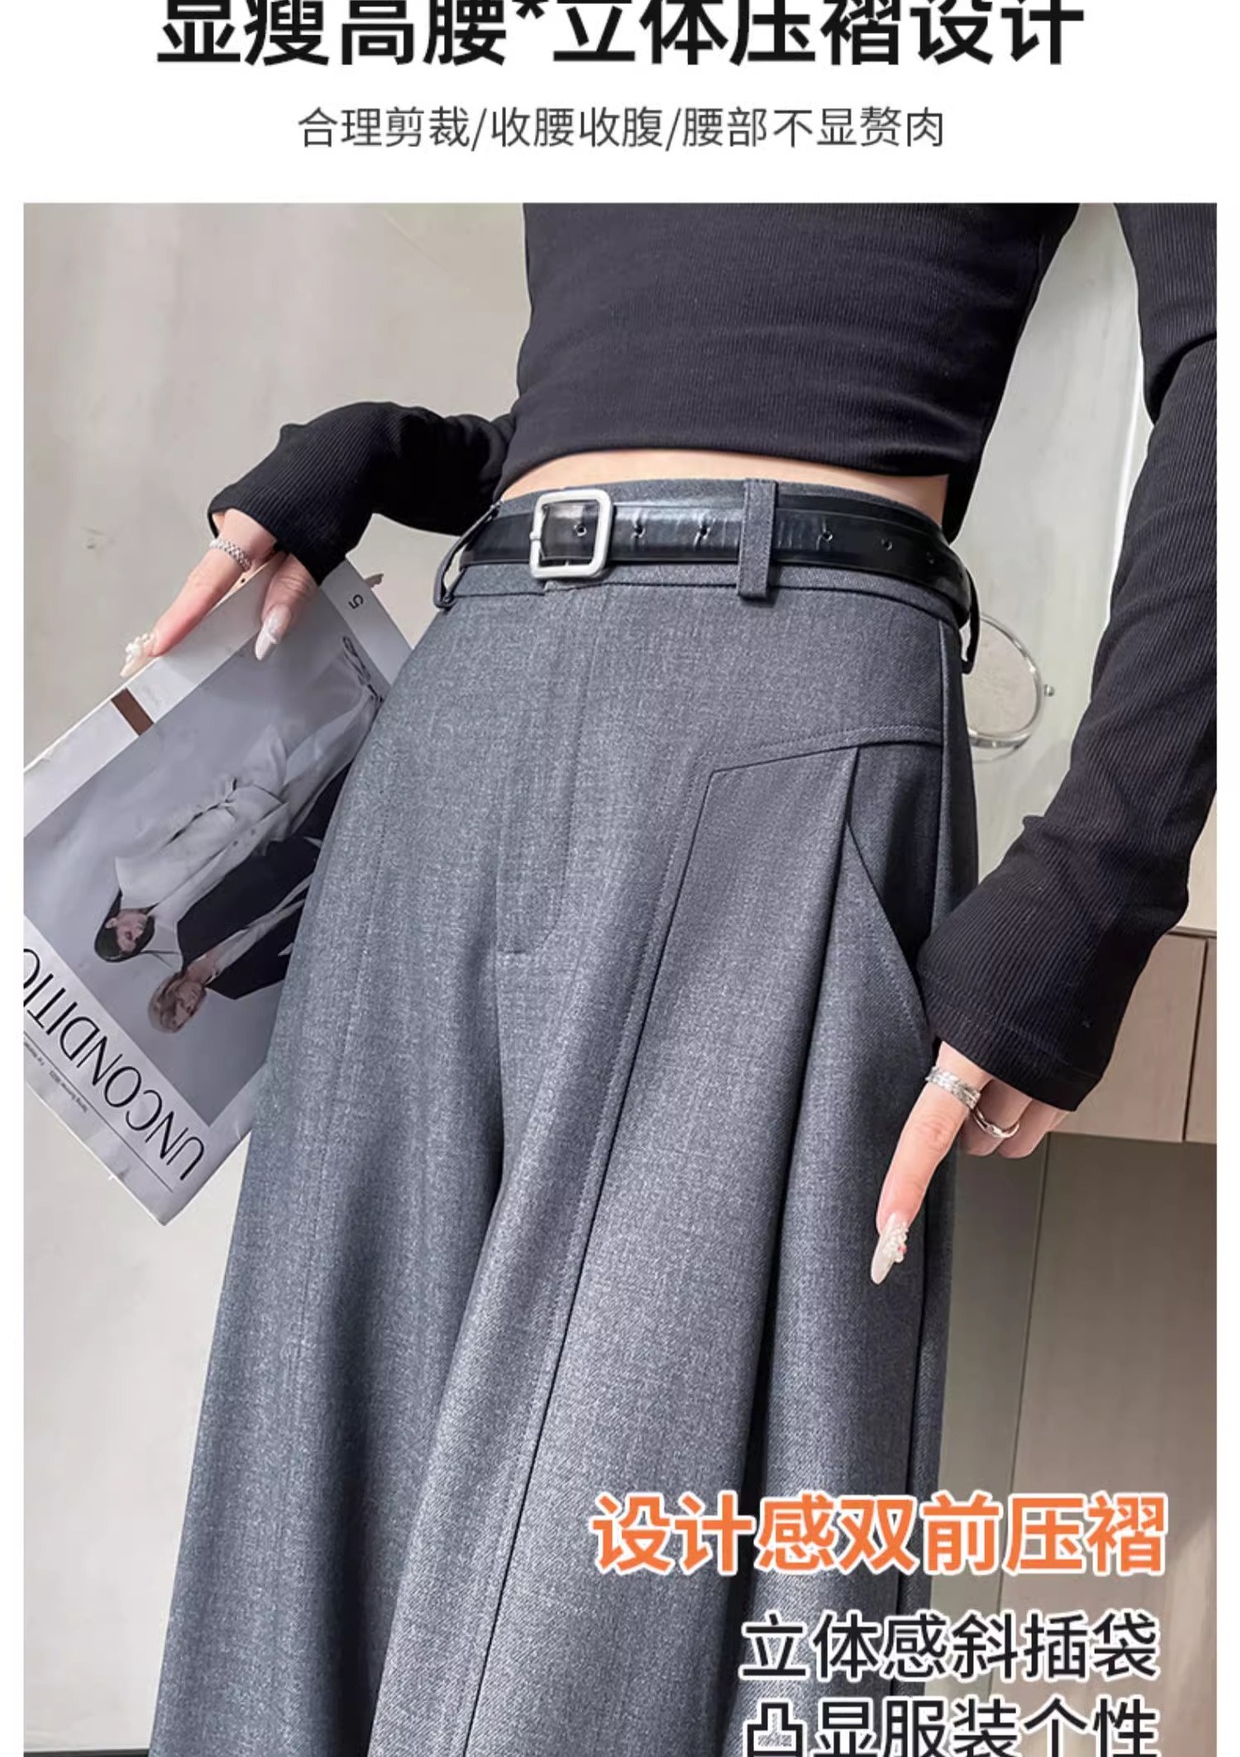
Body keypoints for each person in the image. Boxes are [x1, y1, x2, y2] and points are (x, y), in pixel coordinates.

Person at [142, 205, 1215, 1756]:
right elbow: (682, 354)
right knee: (302, 1523)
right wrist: (398, 450)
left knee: (604, 1609)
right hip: (471, 686)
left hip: (788, 705)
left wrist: (1100, 873)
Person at [93, 651, 377, 964]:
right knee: (320, 773)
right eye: (136, 942)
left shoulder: (130, 869)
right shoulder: (171, 920)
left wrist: (223, 791)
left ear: (112, 922)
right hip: (259, 836)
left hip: (234, 804)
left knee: (282, 733)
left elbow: (173, 821)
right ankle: (368, 713)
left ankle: (346, 675)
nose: (137, 933)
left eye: (127, 935)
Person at [147, 767, 351, 1030]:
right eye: (191, 1011)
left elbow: (233, 882)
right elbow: (296, 964)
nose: (192, 1003)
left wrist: (283, 854)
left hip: (296, 855)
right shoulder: (235, 986)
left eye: (182, 1003)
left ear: (171, 989)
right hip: (328, 895)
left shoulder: (188, 931)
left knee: (348, 786)